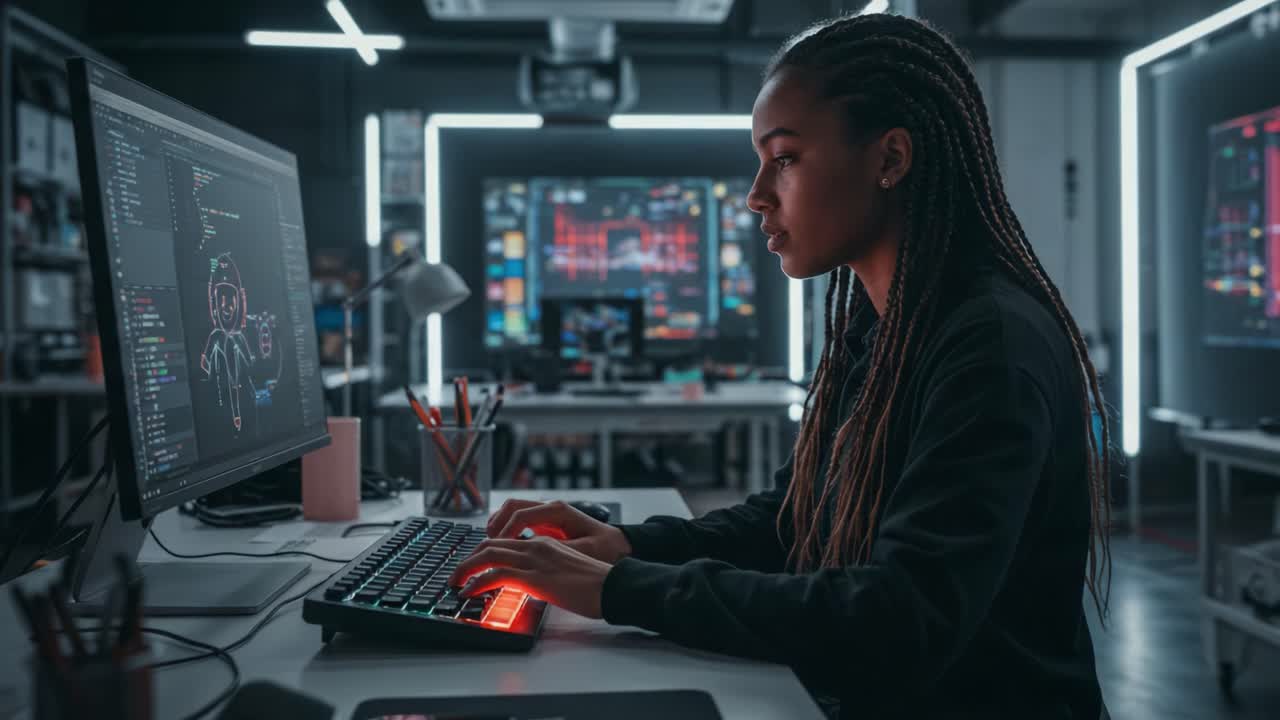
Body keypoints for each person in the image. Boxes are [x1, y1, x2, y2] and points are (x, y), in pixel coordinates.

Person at [450, 12, 1111, 719]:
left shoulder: (990, 345)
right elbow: (795, 522)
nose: (756, 193)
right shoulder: (882, 317)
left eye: (786, 158)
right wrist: (623, 545)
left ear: (889, 159)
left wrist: (618, 590)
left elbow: (898, 621)